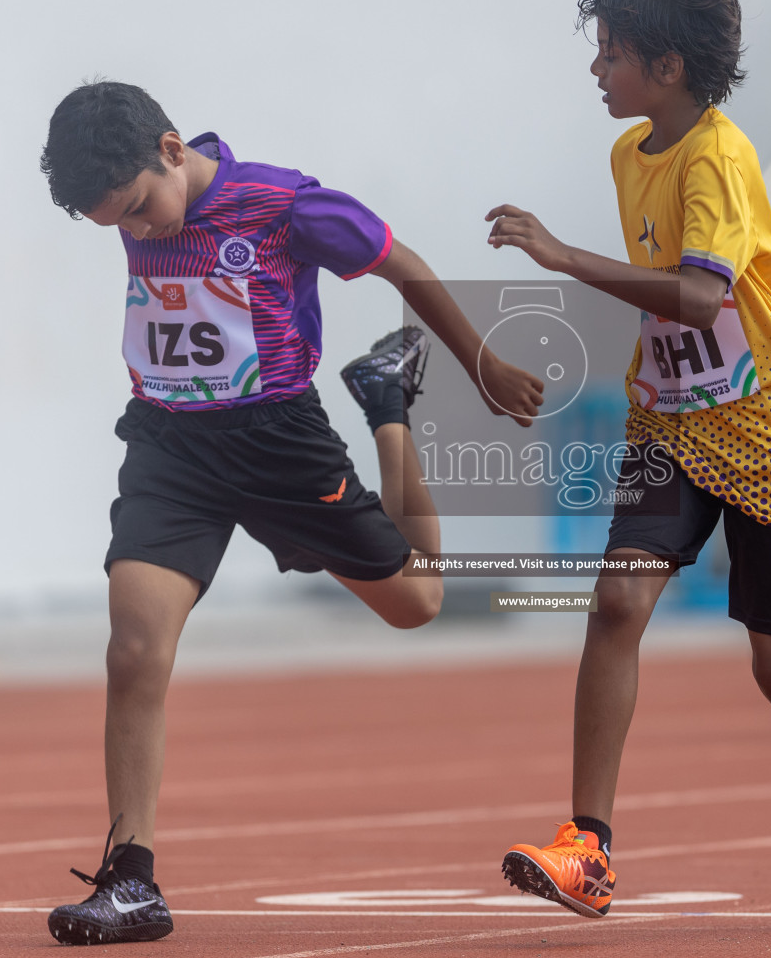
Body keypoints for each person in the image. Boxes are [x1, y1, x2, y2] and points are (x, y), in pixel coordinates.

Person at [37, 80, 544, 945]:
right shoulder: (136, 201)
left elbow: (402, 263)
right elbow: (153, 255)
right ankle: (132, 881)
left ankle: (387, 401)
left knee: (418, 604)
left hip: (278, 442)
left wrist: (482, 362)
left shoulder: (281, 205)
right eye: (114, 226)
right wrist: (133, 223)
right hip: (170, 445)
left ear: (170, 150)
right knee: (134, 647)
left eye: (138, 209)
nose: (139, 231)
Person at [484, 0, 771, 931]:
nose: (596, 68)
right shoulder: (633, 151)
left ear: (666, 67)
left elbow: (701, 290)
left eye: (611, 52)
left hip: (762, 433)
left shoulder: (720, 155)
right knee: (617, 602)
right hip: (671, 418)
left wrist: (560, 255)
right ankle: (587, 845)